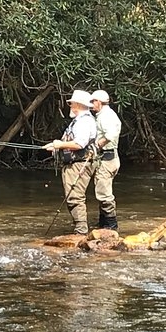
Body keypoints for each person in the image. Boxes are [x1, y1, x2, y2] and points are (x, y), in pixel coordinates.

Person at [43, 89, 98, 235]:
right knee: (73, 197)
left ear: (78, 105)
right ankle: (80, 229)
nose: (70, 106)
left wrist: (59, 145)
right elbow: (70, 140)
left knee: (75, 197)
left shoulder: (84, 122)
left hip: (80, 163)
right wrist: (54, 146)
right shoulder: (79, 121)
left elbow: (79, 144)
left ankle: (81, 232)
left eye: (72, 103)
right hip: (75, 163)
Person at [90, 89, 121, 231]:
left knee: (104, 193)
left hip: (107, 159)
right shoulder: (104, 115)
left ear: (99, 102)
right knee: (102, 190)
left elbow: (111, 134)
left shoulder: (106, 116)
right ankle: (103, 225)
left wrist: (98, 145)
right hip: (109, 158)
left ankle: (111, 226)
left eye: (93, 102)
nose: (91, 105)